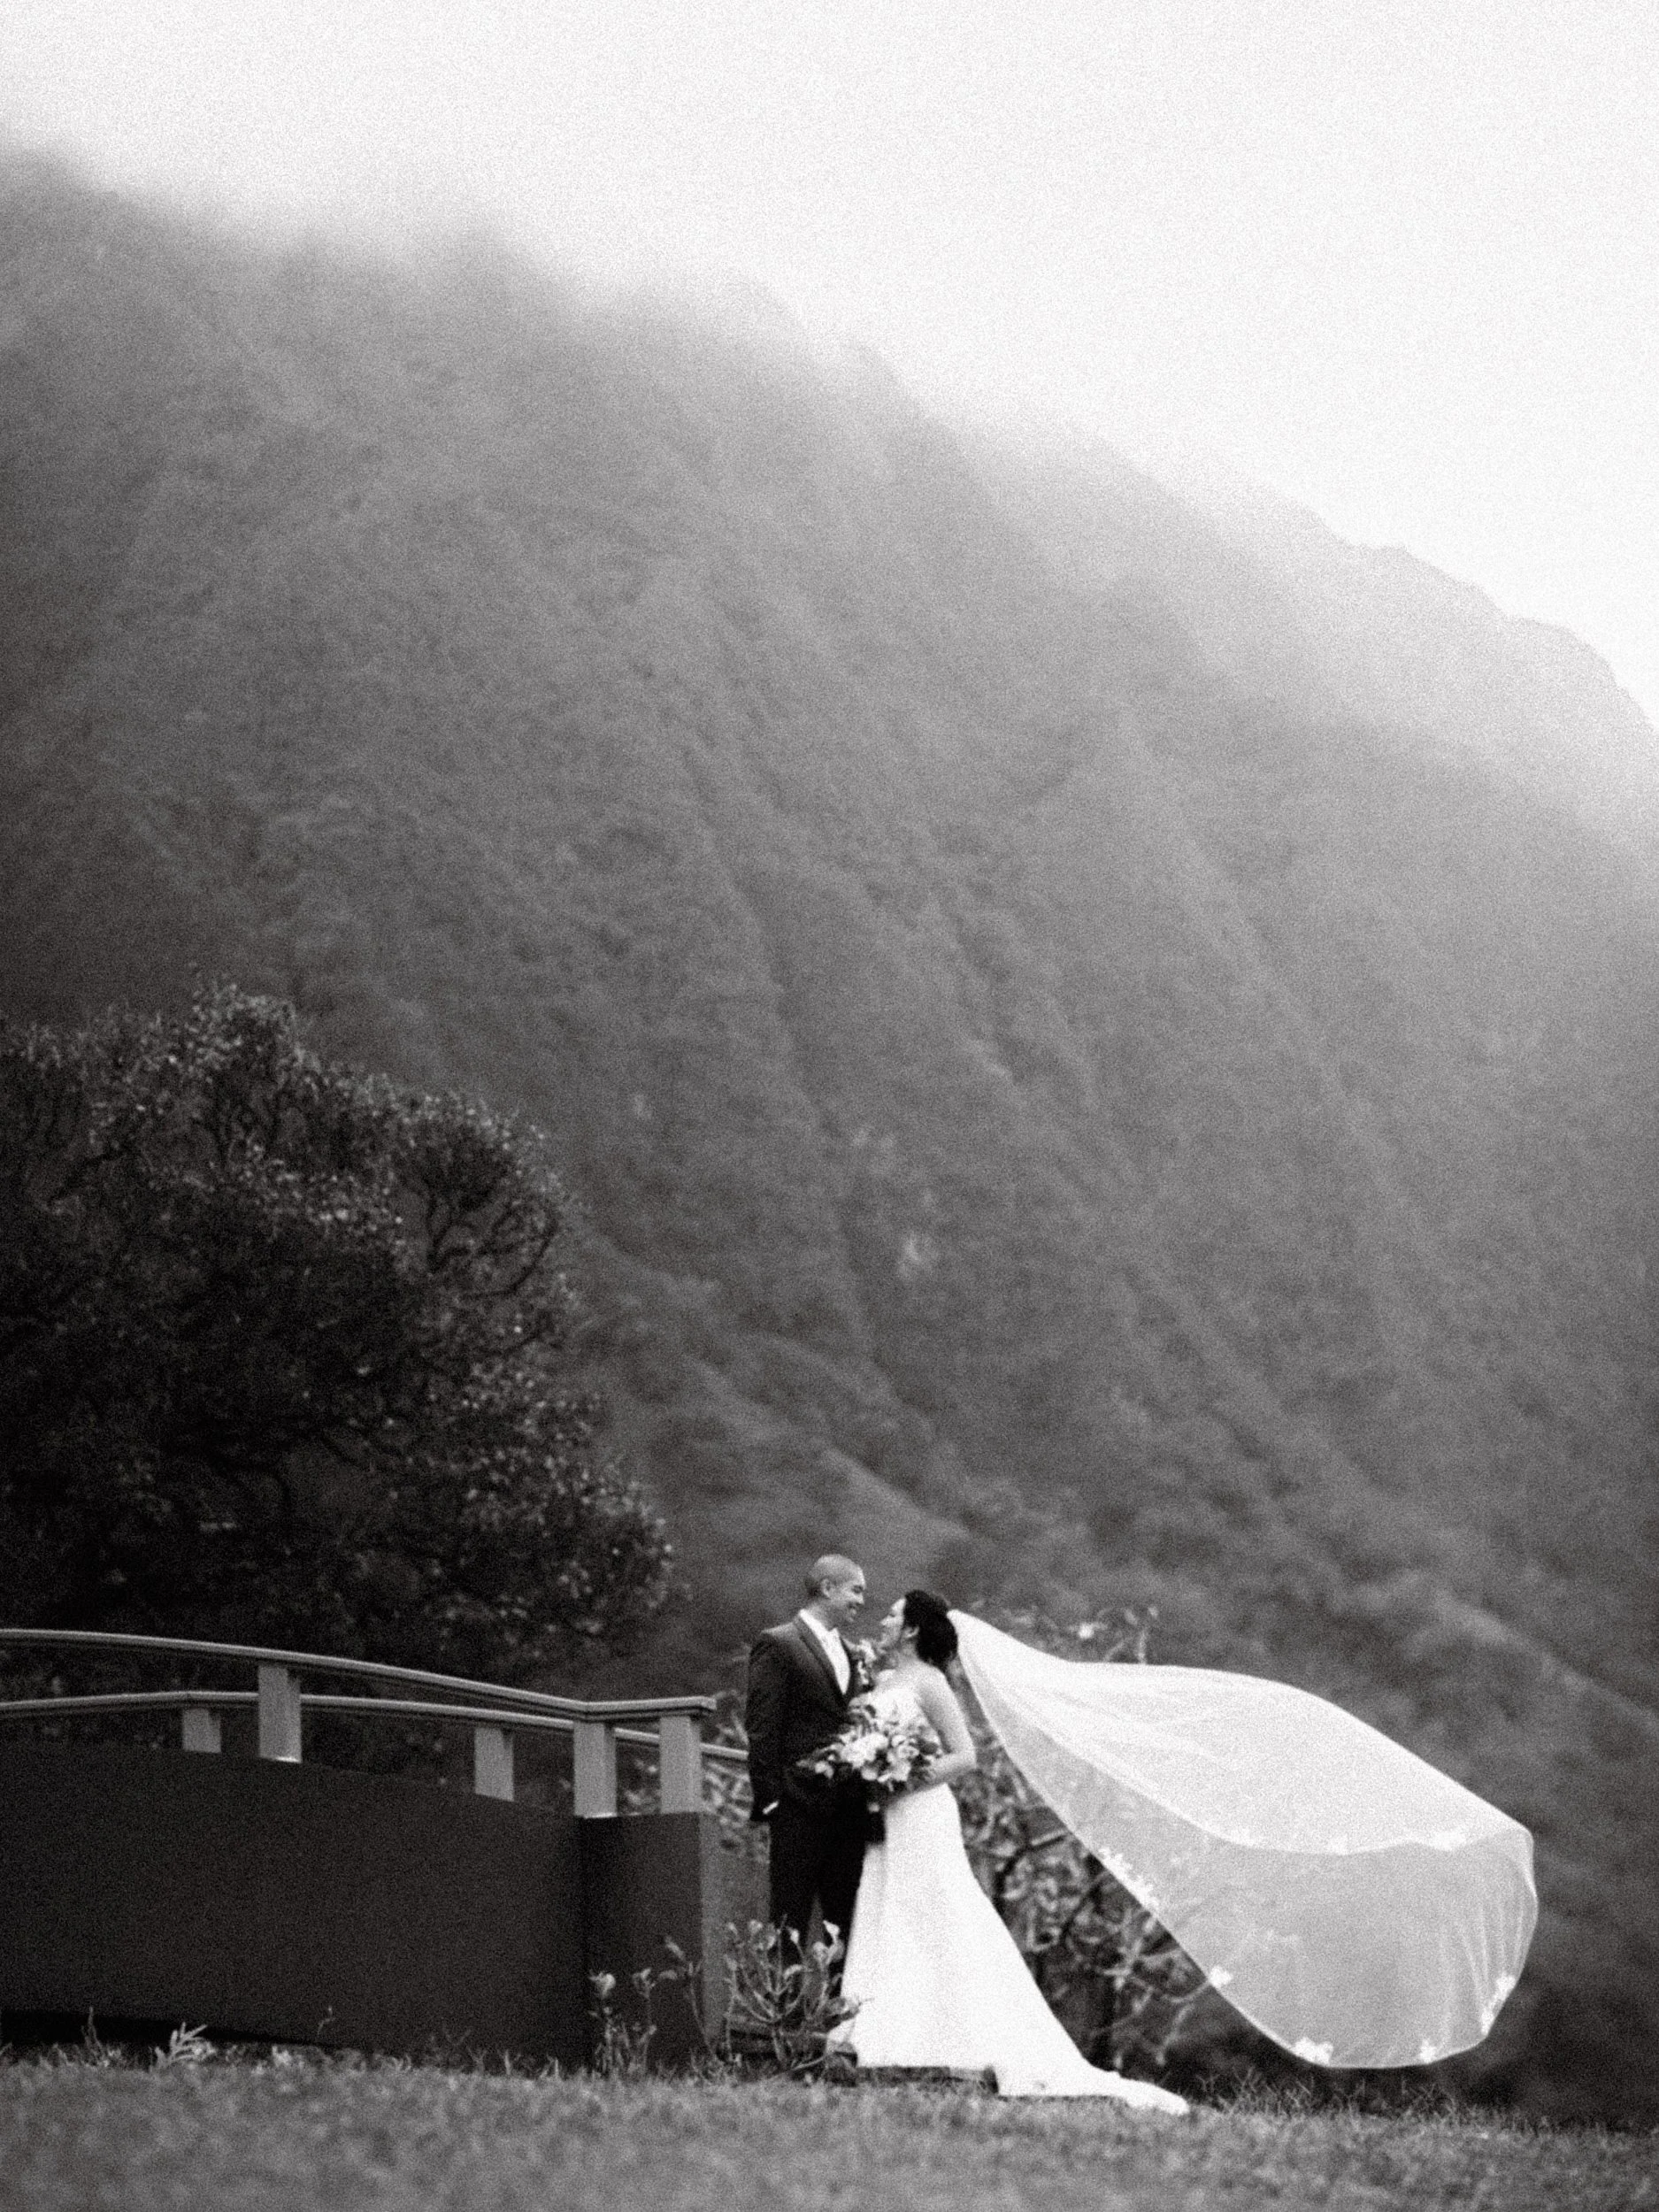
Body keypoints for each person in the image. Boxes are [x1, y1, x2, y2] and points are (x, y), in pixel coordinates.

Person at [831, 1588, 1190, 2109]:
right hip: (884, 1816)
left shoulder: (930, 1683)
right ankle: (881, 2032)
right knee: (887, 1905)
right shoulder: (882, 1681)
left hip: (921, 1810)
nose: (883, 1621)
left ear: (911, 1629)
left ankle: (955, 2034)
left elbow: (965, 1756)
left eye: (892, 1616)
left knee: (937, 1909)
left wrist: (897, 1780)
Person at [744, 1553, 872, 1965]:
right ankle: (785, 2014)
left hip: (847, 1811)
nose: (861, 1602)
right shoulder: (778, 1643)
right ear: (828, 1588)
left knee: (845, 1917)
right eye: (856, 1590)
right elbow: (763, 1728)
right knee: (790, 1916)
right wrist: (773, 1801)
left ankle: (836, 2016)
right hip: (796, 1807)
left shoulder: (854, 1653)